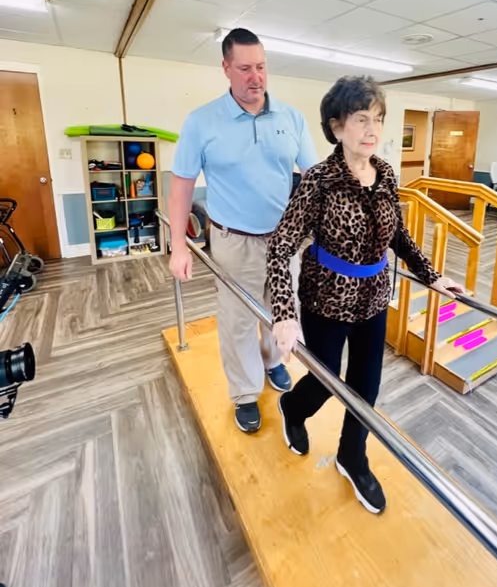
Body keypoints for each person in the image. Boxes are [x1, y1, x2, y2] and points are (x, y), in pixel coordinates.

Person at [266, 76, 464, 514]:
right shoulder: (318, 180)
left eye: (378, 119)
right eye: (361, 119)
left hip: (374, 298)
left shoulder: (386, 174)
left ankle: (352, 455)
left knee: (366, 385)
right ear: (336, 126)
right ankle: (293, 407)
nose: (372, 129)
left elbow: (399, 235)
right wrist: (283, 313)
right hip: (326, 299)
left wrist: (432, 275)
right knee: (325, 381)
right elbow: (280, 247)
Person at [169, 28, 318, 434]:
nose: (256, 77)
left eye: (262, 67)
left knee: (281, 310)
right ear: (226, 68)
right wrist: (178, 245)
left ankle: (271, 363)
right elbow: (181, 185)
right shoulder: (202, 121)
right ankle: (246, 392)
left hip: (284, 240)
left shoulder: (291, 118)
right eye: (245, 68)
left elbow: (314, 177)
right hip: (233, 241)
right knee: (237, 321)